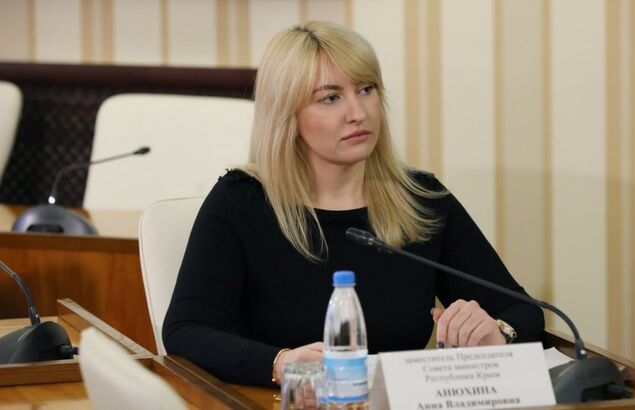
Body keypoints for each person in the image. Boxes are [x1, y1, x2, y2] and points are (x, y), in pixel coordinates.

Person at [162, 21, 544, 388]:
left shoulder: (420, 199)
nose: (358, 113)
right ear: (286, 115)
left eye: (366, 89)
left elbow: (523, 311)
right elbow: (185, 330)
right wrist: (279, 363)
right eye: (330, 98)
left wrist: (498, 333)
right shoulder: (242, 201)